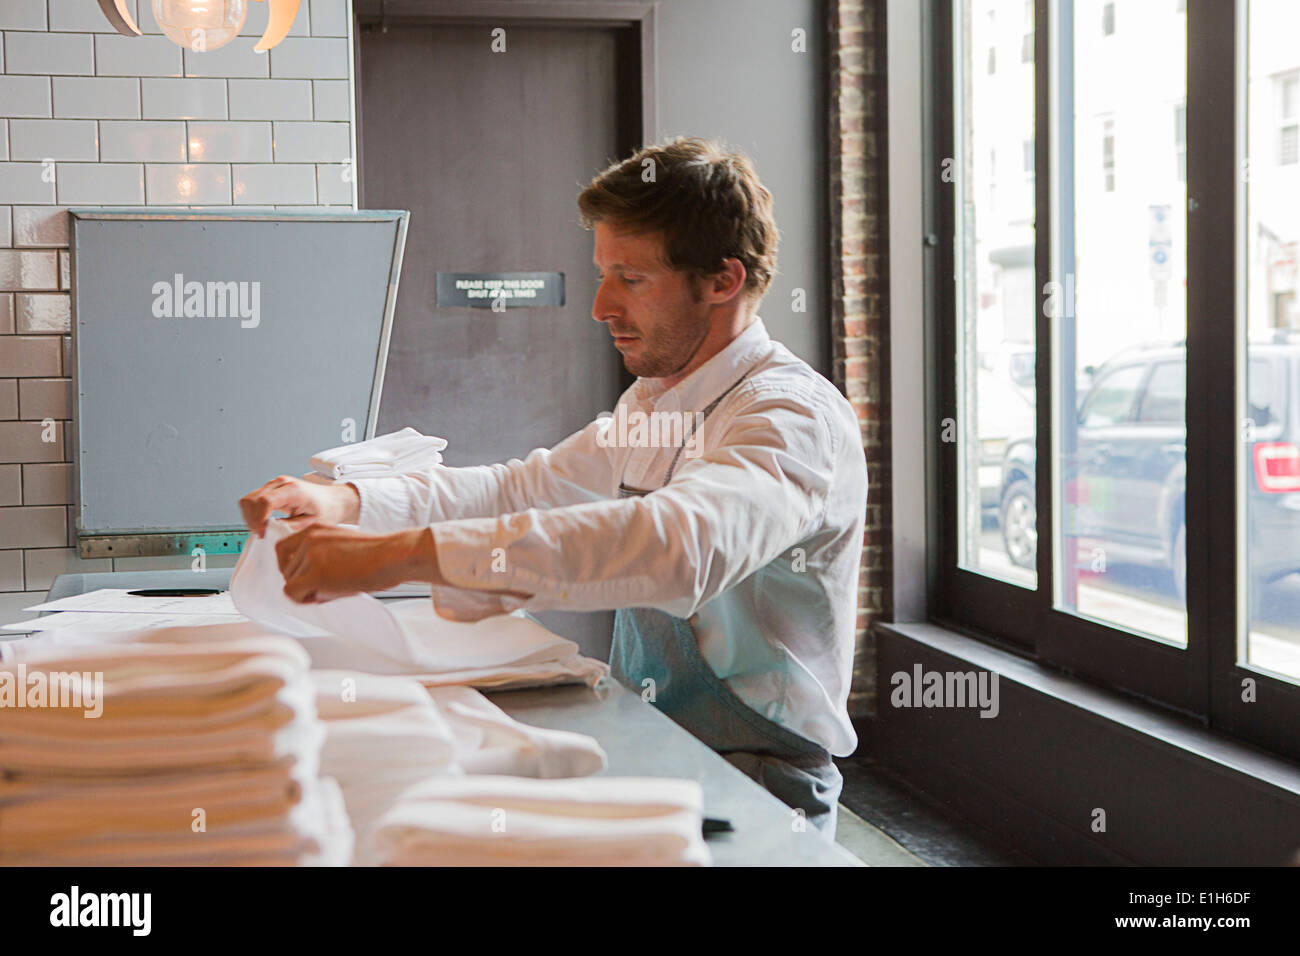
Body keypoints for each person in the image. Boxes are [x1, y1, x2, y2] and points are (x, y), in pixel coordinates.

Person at [239, 137, 868, 838]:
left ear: (723, 280)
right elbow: (526, 489)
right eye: (603, 274)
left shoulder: (789, 417)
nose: (600, 306)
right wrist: (351, 504)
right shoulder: (657, 403)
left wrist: (403, 555)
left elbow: (680, 546)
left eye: (630, 279)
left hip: (764, 779)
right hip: (656, 741)